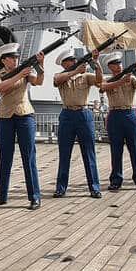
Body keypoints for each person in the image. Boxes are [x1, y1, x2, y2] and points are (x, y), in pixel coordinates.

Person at [0, 42, 44, 210]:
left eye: (16, 57)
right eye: (12, 58)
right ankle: (1, 195)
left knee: (29, 157)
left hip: (24, 114)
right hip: (6, 116)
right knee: (5, 158)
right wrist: (19, 74)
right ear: (4, 60)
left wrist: (40, 65)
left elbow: (38, 82)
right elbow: (1, 87)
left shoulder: (25, 71)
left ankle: (34, 196)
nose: (15, 60)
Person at [51, 48, 103, 199]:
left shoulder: (86, 76)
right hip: (67, 114)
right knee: (64, 153)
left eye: (75, 60)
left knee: (89, 152)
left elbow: (99, 81)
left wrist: (97, 63)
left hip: (83, 113)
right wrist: (74, 71)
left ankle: (94, 187)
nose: (74, 62)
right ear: (64, 64)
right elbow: (56, 80)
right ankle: (61, 188)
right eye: (71, 61)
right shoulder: (61, 76)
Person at [98, 51, 136, 191]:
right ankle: (116, 180)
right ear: (109, 66)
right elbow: (102, 88)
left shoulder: (130, 78)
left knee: (135, 149)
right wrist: (121, 81)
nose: (118, 65)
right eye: (114, 64)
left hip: (130, 112)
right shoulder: (108, 78)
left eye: (119, 62)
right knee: (116, 150)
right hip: (114, 114)